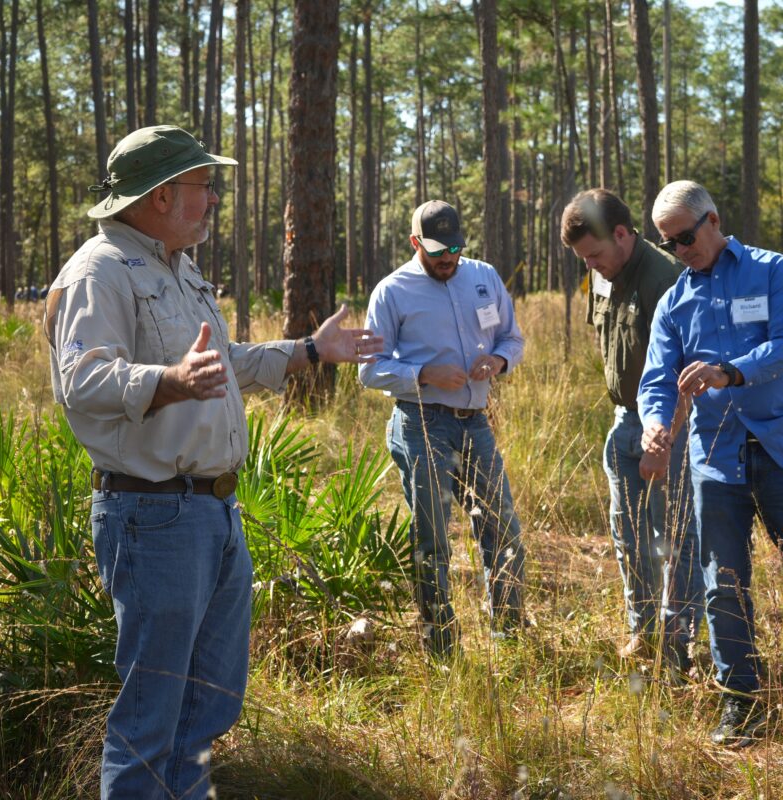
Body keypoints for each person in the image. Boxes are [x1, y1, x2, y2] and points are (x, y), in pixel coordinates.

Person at [44, 124, 381, 799]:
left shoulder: (176, 266)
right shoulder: (99, 269)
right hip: (153, 515)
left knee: (209, 704)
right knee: (152, 717)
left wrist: (308, 352)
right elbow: (80, 381)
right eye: (202, 185)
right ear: (163, 195)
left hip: (214, 512)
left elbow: (221, 364)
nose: (214, 197)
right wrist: (167, 379)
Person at [638, 180, 783, 747]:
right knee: (722, 585)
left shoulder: (771, 271)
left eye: (686, 238)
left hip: (782, 449)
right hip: (715, 463)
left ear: (713, 220)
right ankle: (741, 701)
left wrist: (728, 371)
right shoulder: (674, 300)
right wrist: (654, 424)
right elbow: (656, 379)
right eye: (668, 244)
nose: (679, 251)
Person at [360, 200, 526, 657]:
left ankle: (509, 638)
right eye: (437, 250)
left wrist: (498, 360)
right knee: (432, 538)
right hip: (422, 423)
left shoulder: (483, 277)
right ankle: (441, 647)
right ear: (415, 244)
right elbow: (369, 369)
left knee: (502, 529)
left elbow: (512, 337)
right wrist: (423, 374)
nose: (447, 257)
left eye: (454, 247)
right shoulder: (392, 292)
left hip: (476, 424)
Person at [559, 189, 704, 674]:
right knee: (629, 533)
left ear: (621, 234)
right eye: (584, 258)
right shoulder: (602, 275)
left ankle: (678, 645)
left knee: (674, 537)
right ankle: (642, 632)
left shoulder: (667, 279)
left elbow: (687, 376)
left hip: (670, 425)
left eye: (596, 254)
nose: (592, 265)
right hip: (623, 420)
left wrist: (663, 440)